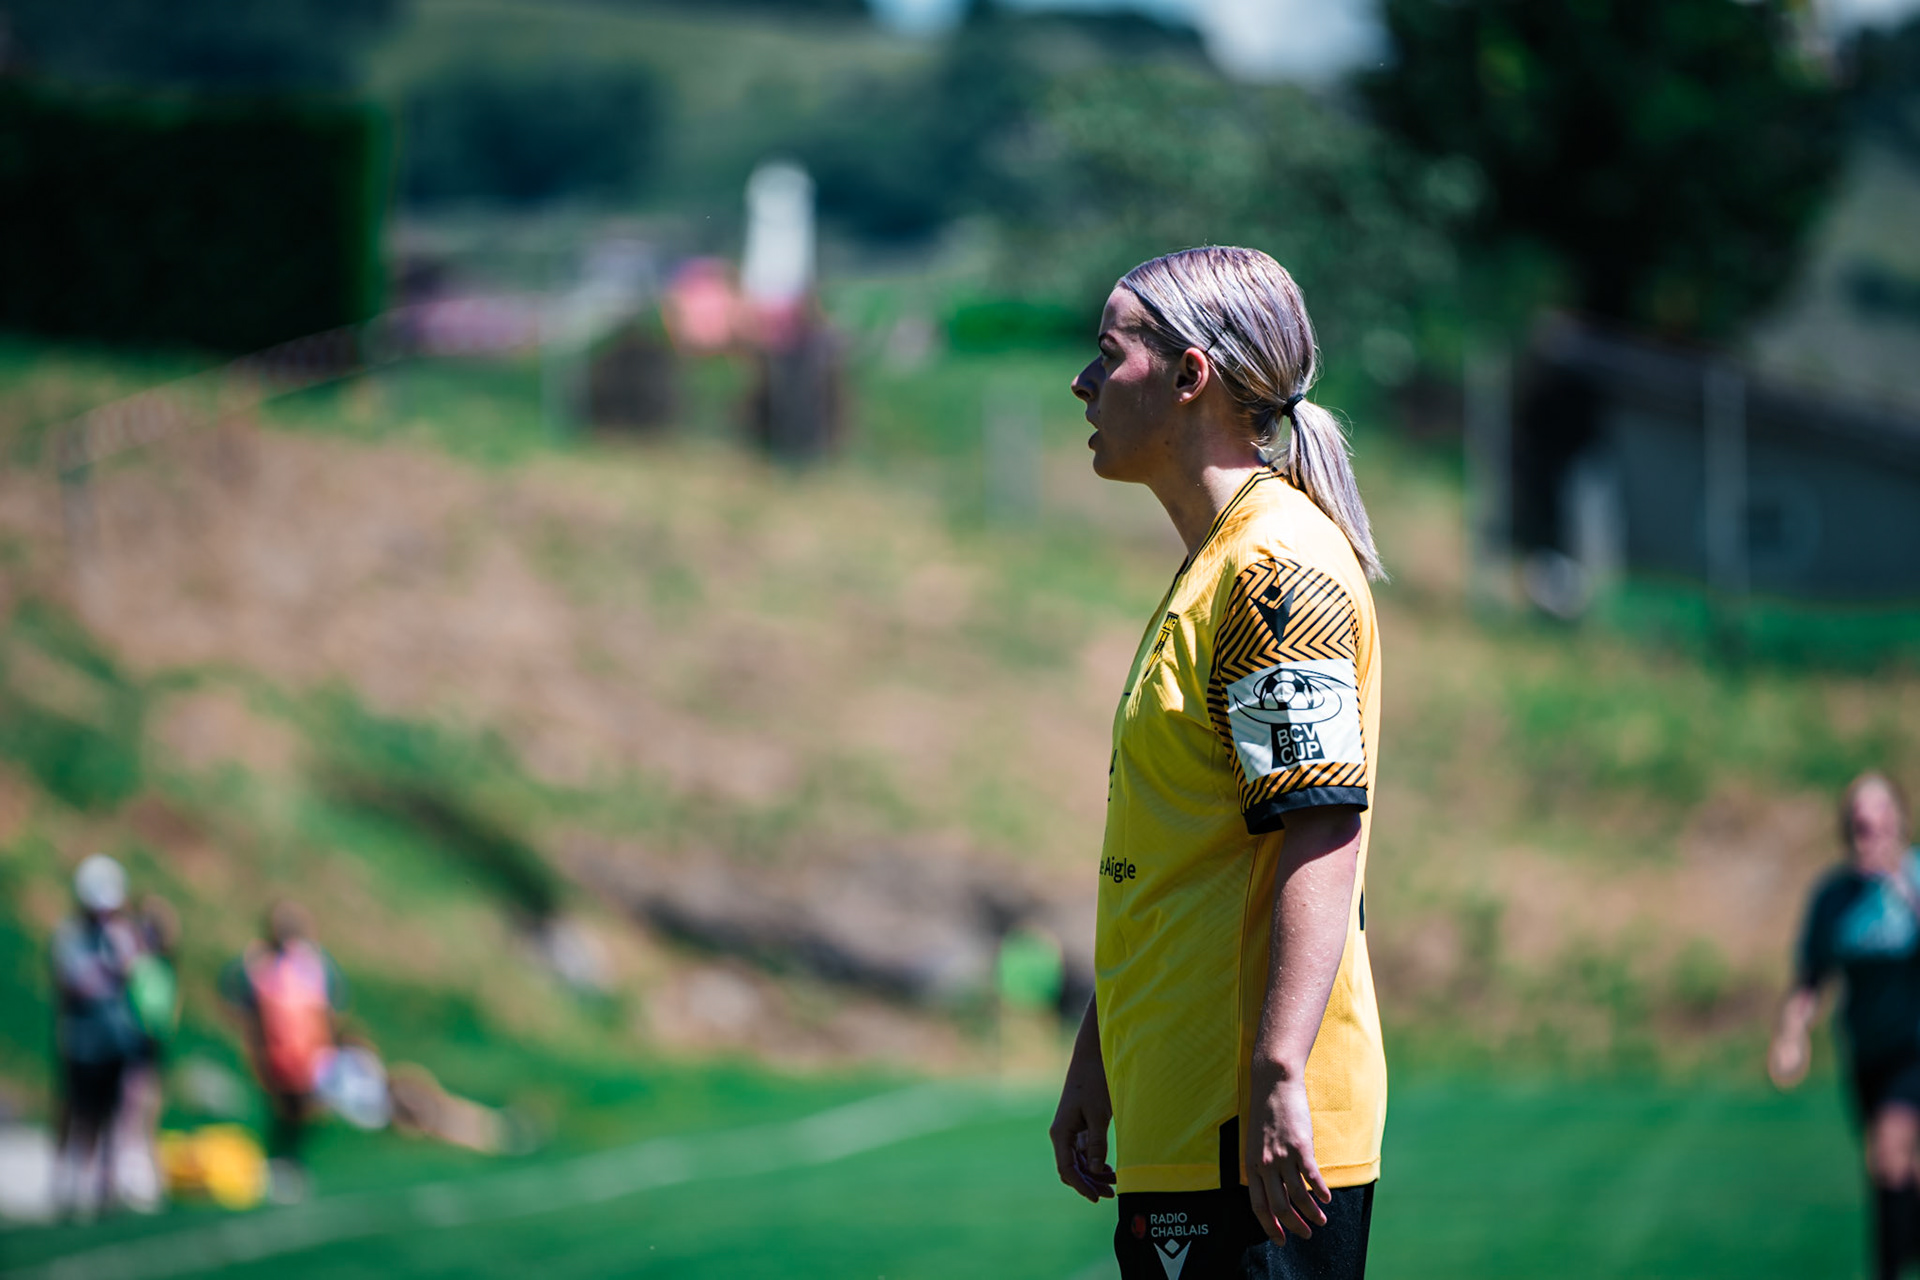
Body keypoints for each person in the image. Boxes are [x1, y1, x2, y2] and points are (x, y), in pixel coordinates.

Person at [1050, 247, 1389, 1279]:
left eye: (1109, 352)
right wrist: (1099, 1057)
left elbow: (1321, 826)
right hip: (1183, 1119)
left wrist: (1278, 1072)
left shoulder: (1274, 570)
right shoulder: (1214, 567)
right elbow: (1175, 854)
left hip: (1250, 1138)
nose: (1083, 381)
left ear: (1190, 375)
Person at [1771, 772, 1920, 1280]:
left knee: (1890, 1150)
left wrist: (1904, 889)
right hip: (1866, 1050)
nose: (1871, 835)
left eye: (1880, 824)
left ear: (1899, 823)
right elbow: (1812, 976)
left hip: (1915, 1047)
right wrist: (1792, 1036)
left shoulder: (1915, 881)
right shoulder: (1835, 896)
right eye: (1861, 826)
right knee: (1894, 1171)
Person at [220, 901, 347, 1203]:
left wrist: (331, 1043)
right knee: (280, 1109)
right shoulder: (260, 963)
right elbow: (237, 995)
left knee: (306, 1112)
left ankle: (292, 1161)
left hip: (310, 1052)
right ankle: (279, 1164)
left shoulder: (314, 963)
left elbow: (332, 1004)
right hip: (275, 1051)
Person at [49, 854, 141, 1216]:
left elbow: (131, 973)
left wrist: (117, 950)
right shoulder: (70, 936)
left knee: (111, 1111)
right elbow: (73, 983)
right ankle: (69, 1177)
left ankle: (107, 1179)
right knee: (77, 1108)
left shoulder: (120, 935)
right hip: (81, 1039)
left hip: (114, 1038)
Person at [117, 894, 181, 1211]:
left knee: (148, 1109)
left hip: (154, 1045)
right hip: (131, 1042)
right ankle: (127, 1177)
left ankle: (145, 1176)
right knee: (129, 1108)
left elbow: (171, 933)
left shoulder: (163, 963)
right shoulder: (134, 960)